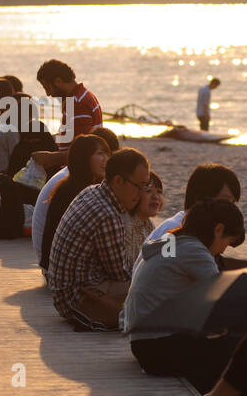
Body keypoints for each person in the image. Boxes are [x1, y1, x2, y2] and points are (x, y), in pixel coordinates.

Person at [125, 198, 246, 387]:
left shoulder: (173, 242)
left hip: (143, 344)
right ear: (219, 229)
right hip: (158, 348)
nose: (223, 250)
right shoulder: (194, 250)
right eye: (228, 242)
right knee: (244, 347)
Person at [47, 147, 150, 331]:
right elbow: (120, 273)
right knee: (151, 285)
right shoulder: (108, 216)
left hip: (62, 292)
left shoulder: (92, 191)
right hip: (76, 301)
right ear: (118, 181)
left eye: (146, 187)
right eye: (139, 186)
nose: (142, 194)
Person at [32, 125, 120, 265]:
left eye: (108, 154)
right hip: (55, 267)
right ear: (84, 157)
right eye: (100, 154)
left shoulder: (76, 179)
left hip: (54, 263)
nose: (107, 160)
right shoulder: (75, 190)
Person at [35, 59, 103, 169]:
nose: (48, 94)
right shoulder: (83, 95)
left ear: (58, 81)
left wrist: (50, 158)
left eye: (47, 88)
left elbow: (83, 151)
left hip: (78, 170)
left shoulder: (77, 103)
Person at [124, 168, 164, 269]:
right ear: (136, 195)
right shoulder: (126, 225)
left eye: (159, 192)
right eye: (148, 191)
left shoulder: (148, 224)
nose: (155, 197)